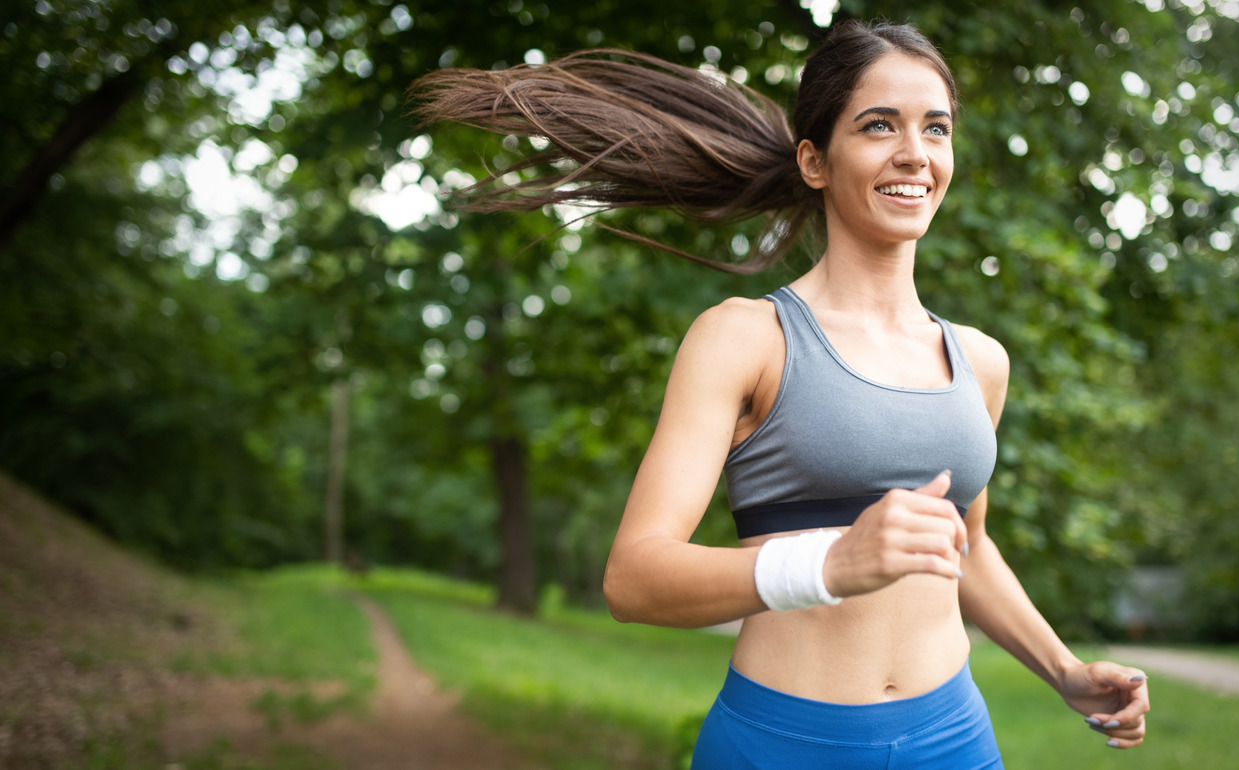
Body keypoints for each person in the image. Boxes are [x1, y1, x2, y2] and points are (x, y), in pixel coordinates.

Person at [413, 19, 1150, 768]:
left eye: (937, 128)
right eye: (878, 126)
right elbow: (633, 578)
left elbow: (969, 549)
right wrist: (828, 564)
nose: (915, 154)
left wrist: (1063, 669)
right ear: (815, 160)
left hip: (955, 738)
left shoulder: (981, 361)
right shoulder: (746, 338)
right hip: (784, 742)